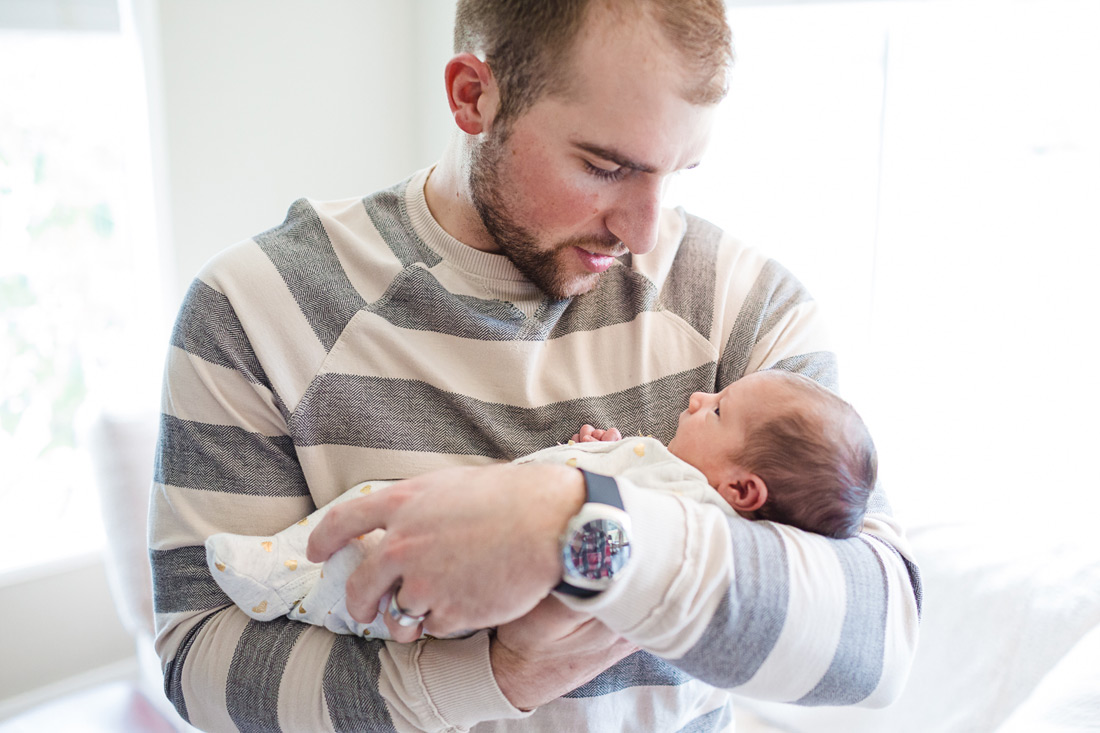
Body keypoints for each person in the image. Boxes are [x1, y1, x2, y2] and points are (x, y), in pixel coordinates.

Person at [149, 0, 922, 730]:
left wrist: (572, 522)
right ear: (473, 97)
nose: (645, 233)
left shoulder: (743, 301)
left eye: (678, 171)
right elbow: (201, 659)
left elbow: (876, 641)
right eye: (605, 166)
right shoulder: (256, 307)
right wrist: (496, 672)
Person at [205, 369, 878, 641]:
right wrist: (600, 452)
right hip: (469, 513)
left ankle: (283, 587)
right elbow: (605, 489)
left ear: (742, 490)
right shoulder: (676, 471)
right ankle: (286, 562)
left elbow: (624, 545)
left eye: (720, 409)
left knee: (373, 570)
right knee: (370, 506)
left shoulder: (703, 517)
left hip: (472, 582)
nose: (700, 398)